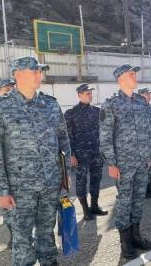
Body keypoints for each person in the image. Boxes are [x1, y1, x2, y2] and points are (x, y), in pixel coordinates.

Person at [0, 56, 71, 265]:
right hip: (20, 188)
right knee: (21, 237)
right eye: (34, 71)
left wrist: (65, 177)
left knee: (47, 231)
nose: (40, 75)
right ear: (18, 74)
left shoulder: (50, 104)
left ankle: (49, 261)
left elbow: (63, 140)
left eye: (40, 71)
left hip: (50, 183)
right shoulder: (1, 108)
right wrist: (1, 190)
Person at [99, 64, 151, 260]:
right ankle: (125, 243)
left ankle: (136, 236)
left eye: (135, 74)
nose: (135, 76)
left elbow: (148, 131)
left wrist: (148, 156)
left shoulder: (141, 101)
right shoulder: (111, 104)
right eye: (131, 74)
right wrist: (111, 163)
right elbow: (105, 136)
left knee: (138, 200)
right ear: (120, 78)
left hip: (141, 161)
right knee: (124, 202)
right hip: (123, 164)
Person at [64, 84, 107, 221]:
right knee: (81, 182)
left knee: (96, 180)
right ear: (79, 95)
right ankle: (85, 210)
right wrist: (71, 155)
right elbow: (67, 136)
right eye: (87, 93)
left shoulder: (97, 111)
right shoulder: (71, 113)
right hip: (80, 156)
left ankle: (94, 206)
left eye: (90, 93)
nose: (90, 95)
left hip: (96, 154)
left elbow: (103, 132)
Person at [0, 78, 16, 249]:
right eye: (5, 89)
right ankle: (13, 236)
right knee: (8, 211)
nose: (8, 91)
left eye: (11, 88)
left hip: (22, 173)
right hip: (2, 172)